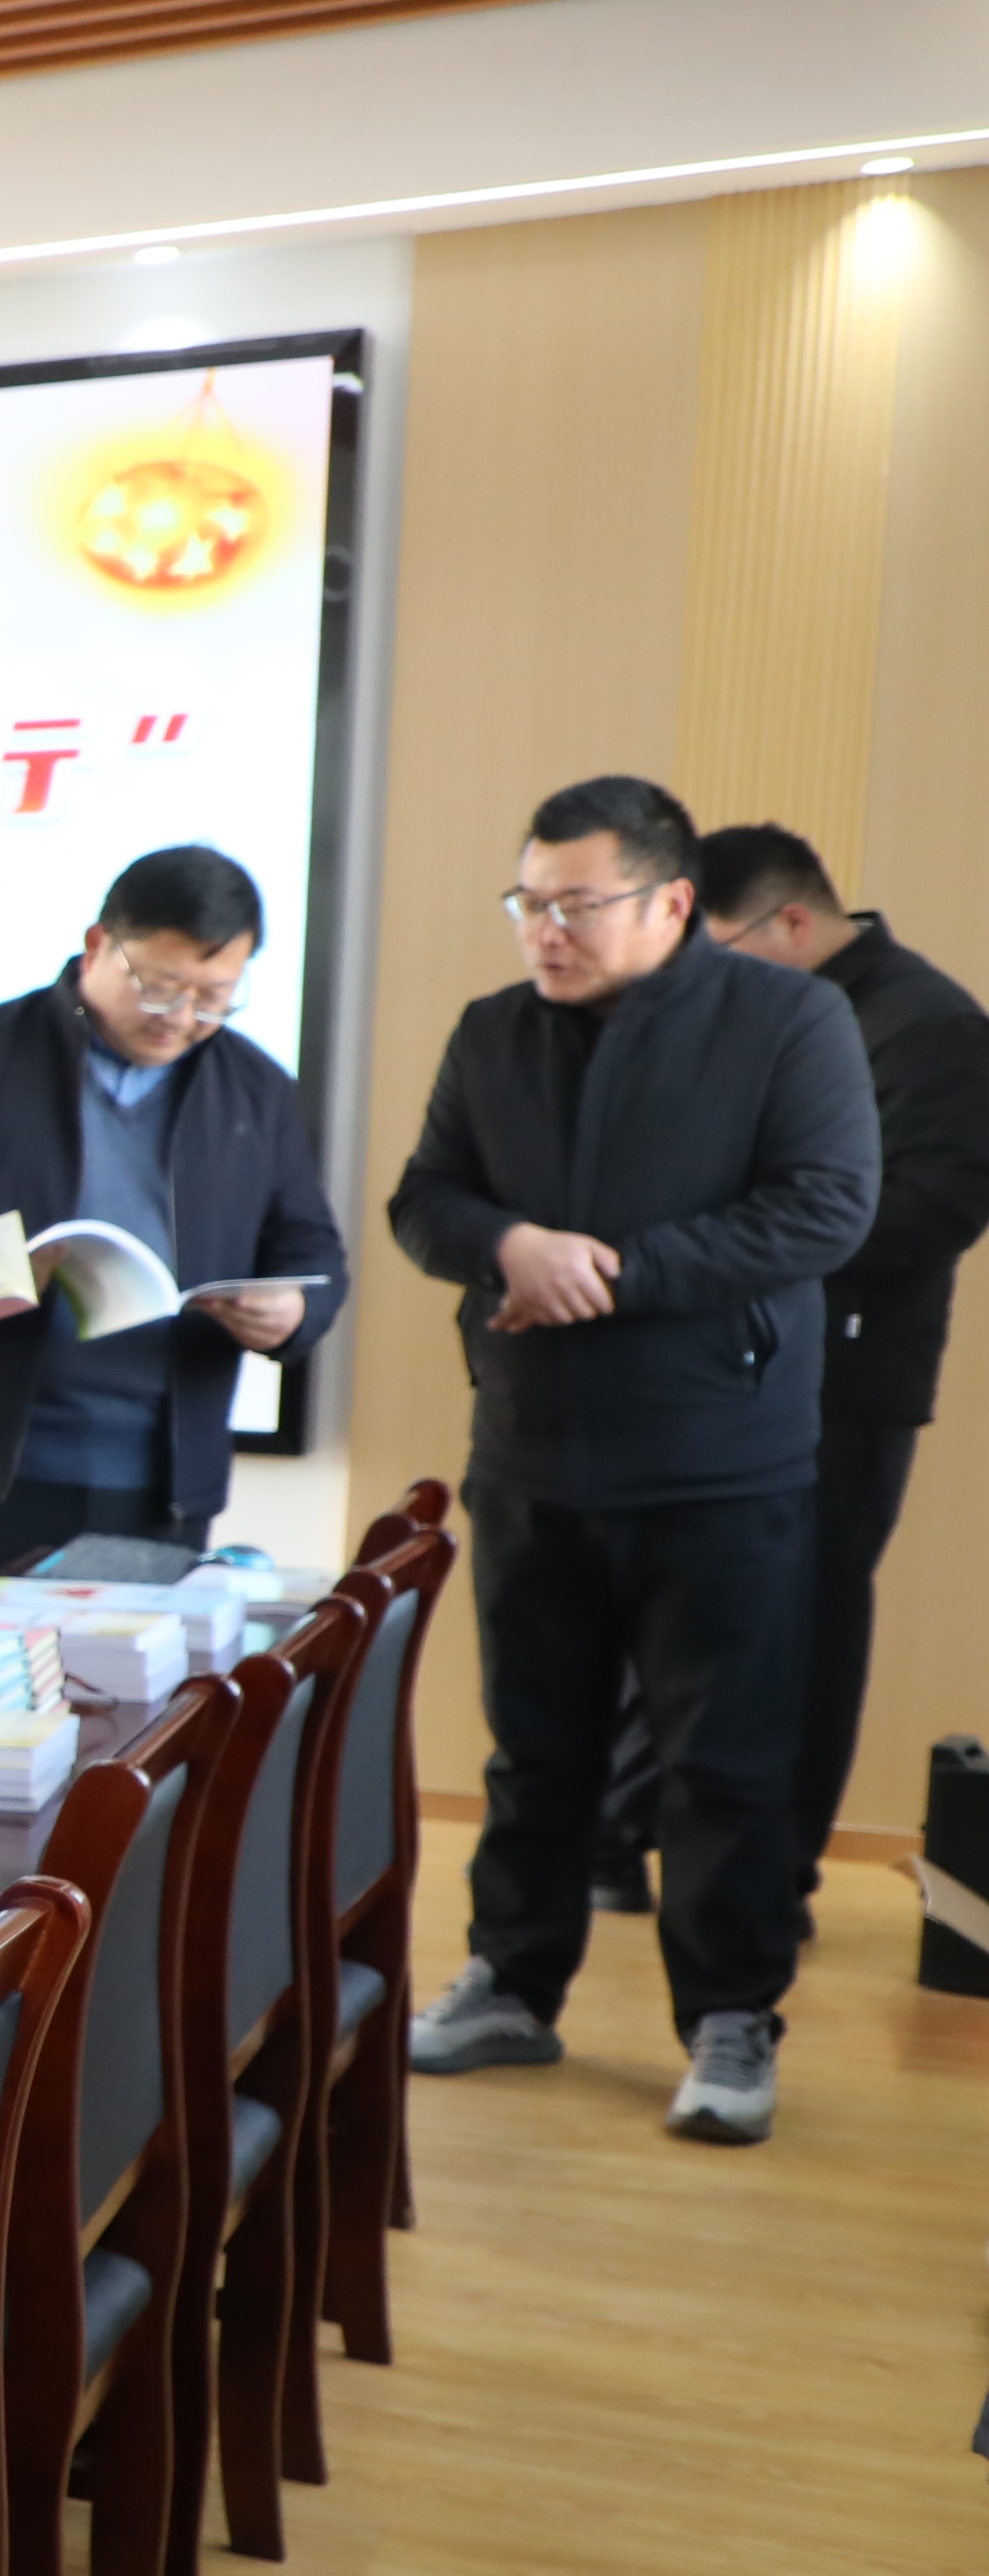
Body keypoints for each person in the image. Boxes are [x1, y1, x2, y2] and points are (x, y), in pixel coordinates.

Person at [389, 775, 876, 2146]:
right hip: (532, 1449)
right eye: (528, 902)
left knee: (725, 1761)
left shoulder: (788, 1020)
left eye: (577, 905)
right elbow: (424, 1202)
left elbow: (828, 1207)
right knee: (532, 1748)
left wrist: (610, 1271)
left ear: (671, 903)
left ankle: (731, 2017)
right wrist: (507, 1245)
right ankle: (512, 1983)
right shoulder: (494, 1031)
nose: (545, 930)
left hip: (721, 1458)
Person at [588, 823, 989, 1926]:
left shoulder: (931, 1026)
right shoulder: (735, 1012)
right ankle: (613, 1840)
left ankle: (773, 1878)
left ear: (794, 922)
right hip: (704, 1366)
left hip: (838, 1385)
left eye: (715, 950)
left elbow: (932, 1212)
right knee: (666, 1610)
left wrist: (743, 1226)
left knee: (800, 1632)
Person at [0, 843, 345, 1597]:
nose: (183, 1018)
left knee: (138, 1676)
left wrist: (294, 1310)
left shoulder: (257, 1090)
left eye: (214, 996)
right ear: (99, 945)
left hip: (162, 1483)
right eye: (160, 988)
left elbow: (313, 1246)